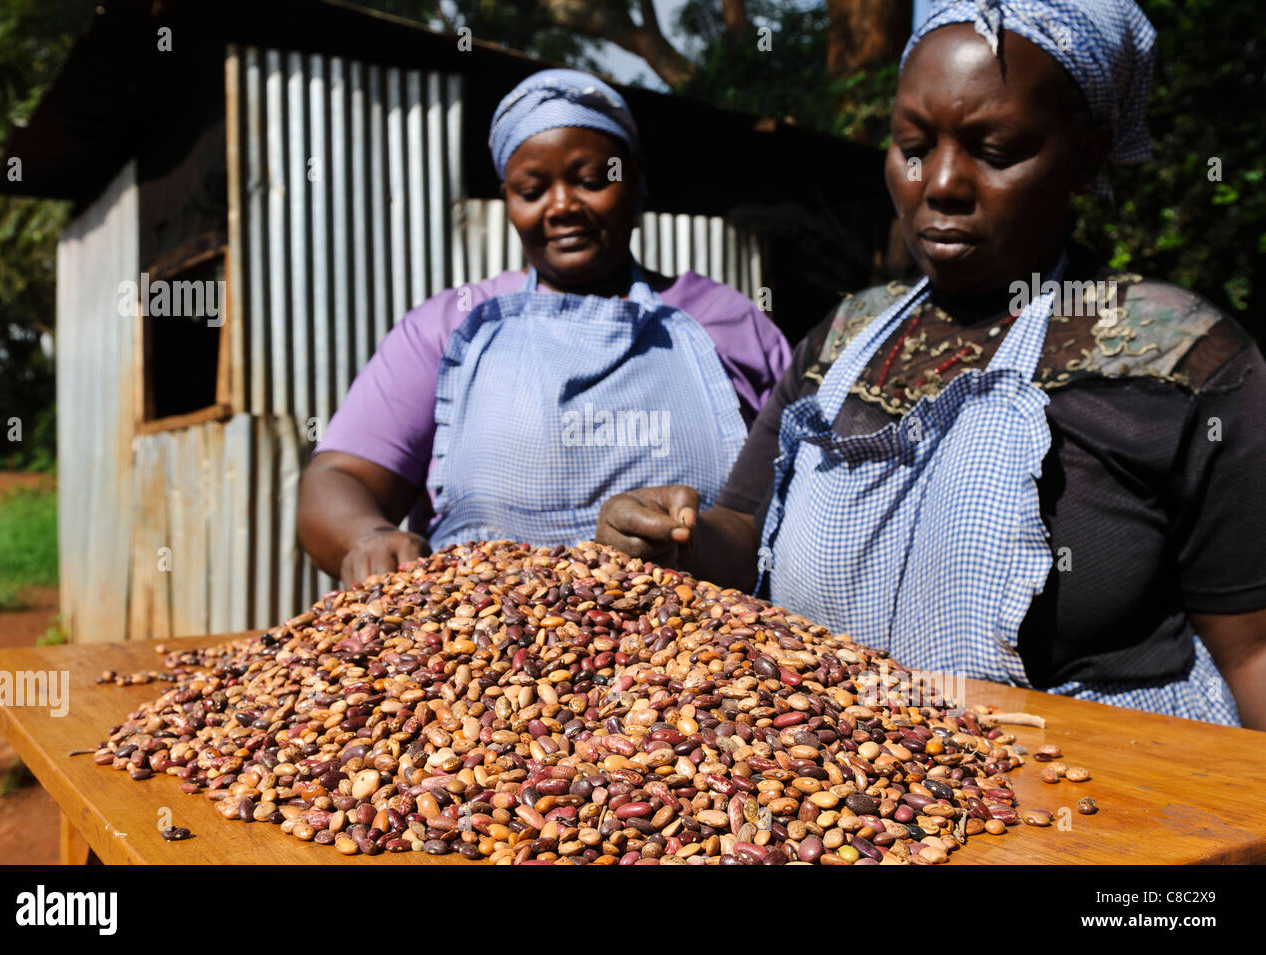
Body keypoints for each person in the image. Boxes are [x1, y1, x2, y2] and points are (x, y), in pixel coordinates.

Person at [596, 0, 1266, 729]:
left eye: (996, 150)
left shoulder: (1184, 363)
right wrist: (675, 536)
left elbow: (1251, 650)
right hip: (847, 801)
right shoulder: (845, 335)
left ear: (1086, 156)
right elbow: (744, 532)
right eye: (913, 146)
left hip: (1100, 812)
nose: (940, 182)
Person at [298, 69, 791, 588]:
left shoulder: (726, 323)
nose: (562, 207)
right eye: (533, 190)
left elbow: (798, 496)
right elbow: (339, 477)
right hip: (481, 657)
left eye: (591, 180)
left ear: (636, 178)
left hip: (704, 661)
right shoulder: (452, 329)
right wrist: (368, 536)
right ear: (507, 198)